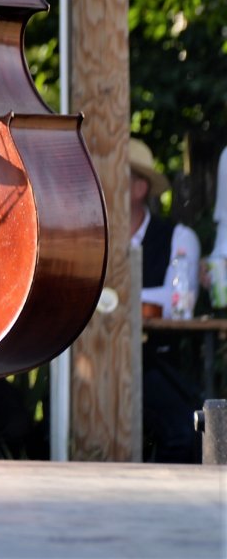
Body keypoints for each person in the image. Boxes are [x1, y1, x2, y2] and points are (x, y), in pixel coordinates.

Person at [131, 138, 203, 462]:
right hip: (100, 366)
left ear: (139, 188)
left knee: (185, 430)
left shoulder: (178, 236)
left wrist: (120, 298)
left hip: (157, 362)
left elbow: (179, 302)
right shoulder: (92, 236)